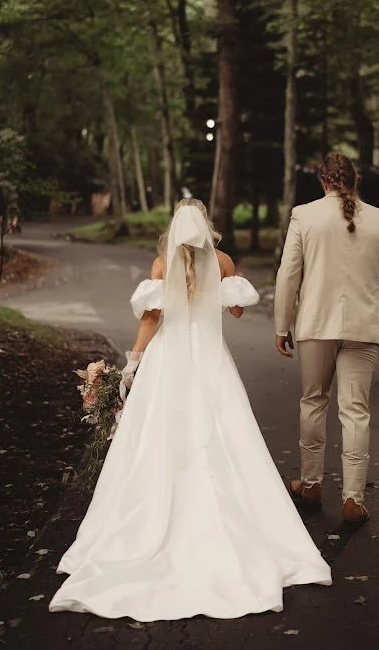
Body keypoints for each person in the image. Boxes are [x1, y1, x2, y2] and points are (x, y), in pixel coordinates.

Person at [49, 198, 331, 621]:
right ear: (205, 224)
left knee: (155, 436)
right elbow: (235, 310)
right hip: (210, 359)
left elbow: (152, 319)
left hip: (169, 359)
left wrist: (135, 360)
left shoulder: (162, 264)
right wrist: (226, 289)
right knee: (224, 432)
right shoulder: (222, 262)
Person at [274, 153, 379, 523]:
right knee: (355, 412)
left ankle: (312, 485)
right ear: (355, 180)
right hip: (362, 327)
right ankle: (353, 499)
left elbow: (288, 276)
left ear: (323, 182)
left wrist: (282, 326)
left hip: (316, 324)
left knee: (313, 402)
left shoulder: (304, 215)